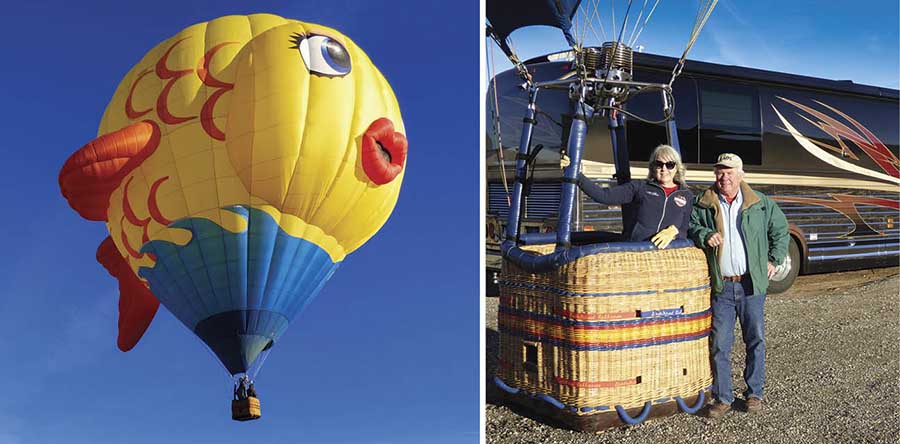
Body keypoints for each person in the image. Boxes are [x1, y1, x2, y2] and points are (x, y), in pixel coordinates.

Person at [688, 153, 789, 418]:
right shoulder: (704, 203)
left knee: (755, 339)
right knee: (720, 343)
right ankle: (722, 398)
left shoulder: (759, 203)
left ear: (741, 174)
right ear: (715, 175)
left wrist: (774, 259)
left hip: (750, 284)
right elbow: (691, 227)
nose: (725, 177)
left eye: (730, 171)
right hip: (722, 286)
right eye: (720, 171)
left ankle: (754, 394)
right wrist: (704, 234)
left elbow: (780, 229)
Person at [576, 144, 693, 248]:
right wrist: (576, 175)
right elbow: (604, 196)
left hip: (666, 258)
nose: (664, 169)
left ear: (677, 168)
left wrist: (674, 233)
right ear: (653, 167)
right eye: (659, 164)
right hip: (636, 252)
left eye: (670, 165)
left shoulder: (686, 195)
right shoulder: (640, 187)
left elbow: (685, 230)